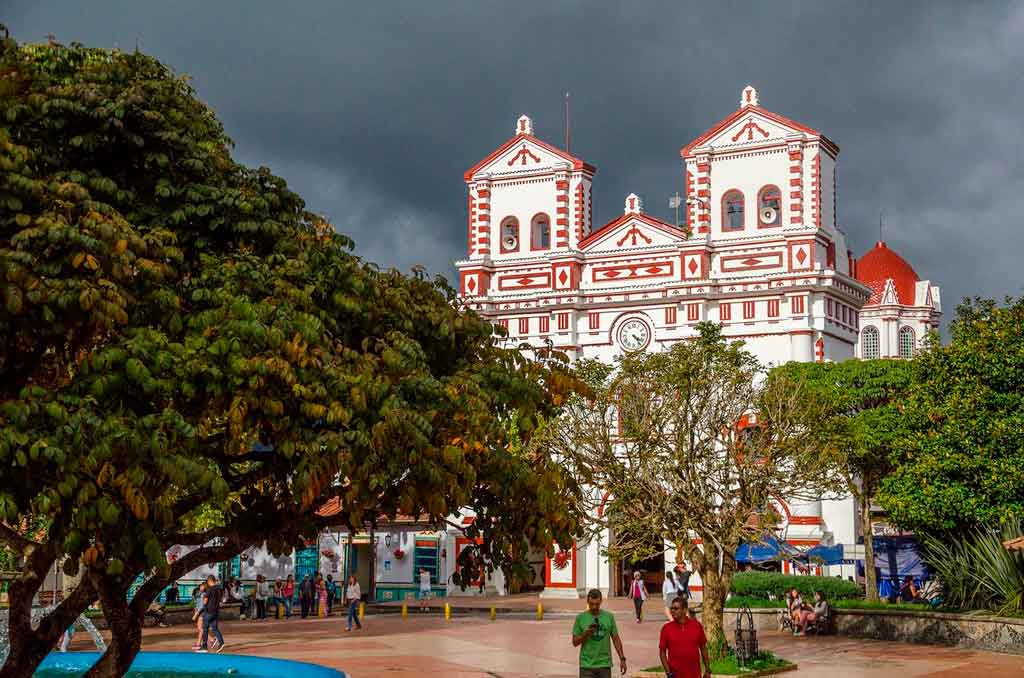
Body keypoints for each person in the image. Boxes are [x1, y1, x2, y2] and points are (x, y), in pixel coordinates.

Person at [571, 588, 627, 678]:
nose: (594, 607)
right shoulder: (580, 618)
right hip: (586, 666)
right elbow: (575, 642)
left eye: (597, 604)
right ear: (587, 602)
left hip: (604, 665)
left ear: (601, 601)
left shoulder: (609, 617)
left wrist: (622, 659)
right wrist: (586, 634)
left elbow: (616, 639)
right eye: (591, 604)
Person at [659, 595, 710, 678]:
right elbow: (662, 653)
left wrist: (707, 670)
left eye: (676, 608)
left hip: (695, 675)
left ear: (684, 610)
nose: (672, 611)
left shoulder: (696, 626)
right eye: (671, 608)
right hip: (675, 675)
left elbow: (703, 648)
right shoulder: (666, 629)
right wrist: (668, 673)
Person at [197, 575, 225, 653]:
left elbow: (205, 601)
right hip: (216, 611)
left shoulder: (209, 589)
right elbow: (222, 599)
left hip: (209, 611)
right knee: (215, 628)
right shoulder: (219, 589)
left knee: (204, 628)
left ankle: (204, 646)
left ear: (209, 581)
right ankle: (221, 642)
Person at [191, 581, 207, 649]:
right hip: (200, 612)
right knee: (200, 628)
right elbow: (197, 605)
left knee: (201, 628)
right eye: (200, 586)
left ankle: (199, 643)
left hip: (202, 612)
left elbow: (201, 606)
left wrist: (196, 614)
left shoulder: (203, 594)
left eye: (202, 586)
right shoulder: (199, 593)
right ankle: (212, 639)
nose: (201, 587)